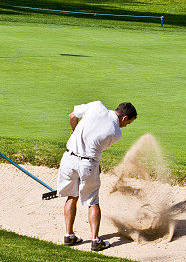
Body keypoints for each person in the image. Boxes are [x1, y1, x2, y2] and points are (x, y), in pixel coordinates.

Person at [57, 101, 137, 251]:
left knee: (71, 197)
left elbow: (72, 116)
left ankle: (69, 236)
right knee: (92, 201)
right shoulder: (116, 133)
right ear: (124, 118)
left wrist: (74, 133)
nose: (126, 126)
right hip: (88, 164)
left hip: (68, 158)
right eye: (128, 123)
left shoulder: (97, 106)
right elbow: (95, 148)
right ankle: (95, 240)